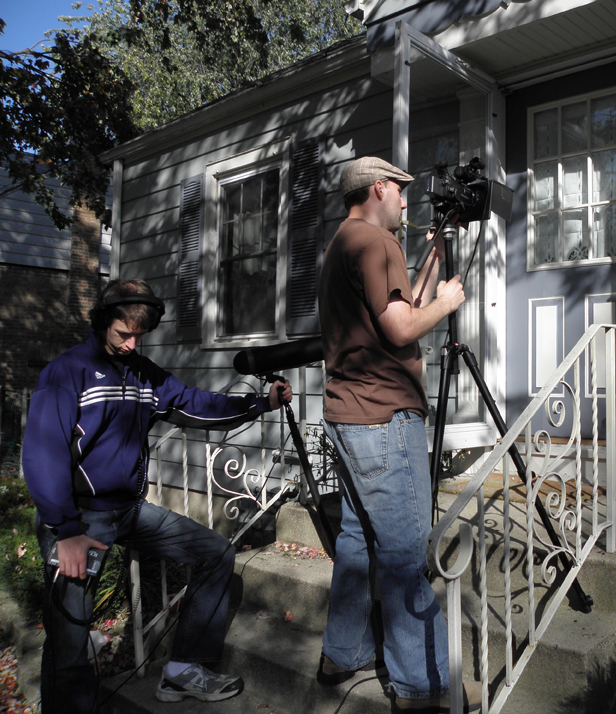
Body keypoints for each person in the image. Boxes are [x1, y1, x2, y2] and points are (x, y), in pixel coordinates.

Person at [21, 278, 292, 714]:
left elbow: (194, 404)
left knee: (215, 552)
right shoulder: (66, 372)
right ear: (102, 322)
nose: (131, 344)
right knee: (70, 644)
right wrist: (65, 530)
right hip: (78, 521)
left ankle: (183, 669)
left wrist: (260, 404)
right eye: (122, 333)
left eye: (138, 336)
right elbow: (42, 454)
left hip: (127, 512)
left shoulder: (143, 375)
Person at [317, 156, 479, 713]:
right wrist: (449, 303)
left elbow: (398, 306)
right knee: (407, 554)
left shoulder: (345, 241)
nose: (408, 202)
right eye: (402, 192)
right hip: (384, 419)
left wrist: (432, 256)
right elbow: (402, 326)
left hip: (347, 416)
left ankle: (343, 652)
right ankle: (422, 687)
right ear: (379, 188)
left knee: (358, 541)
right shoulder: (374, 243)